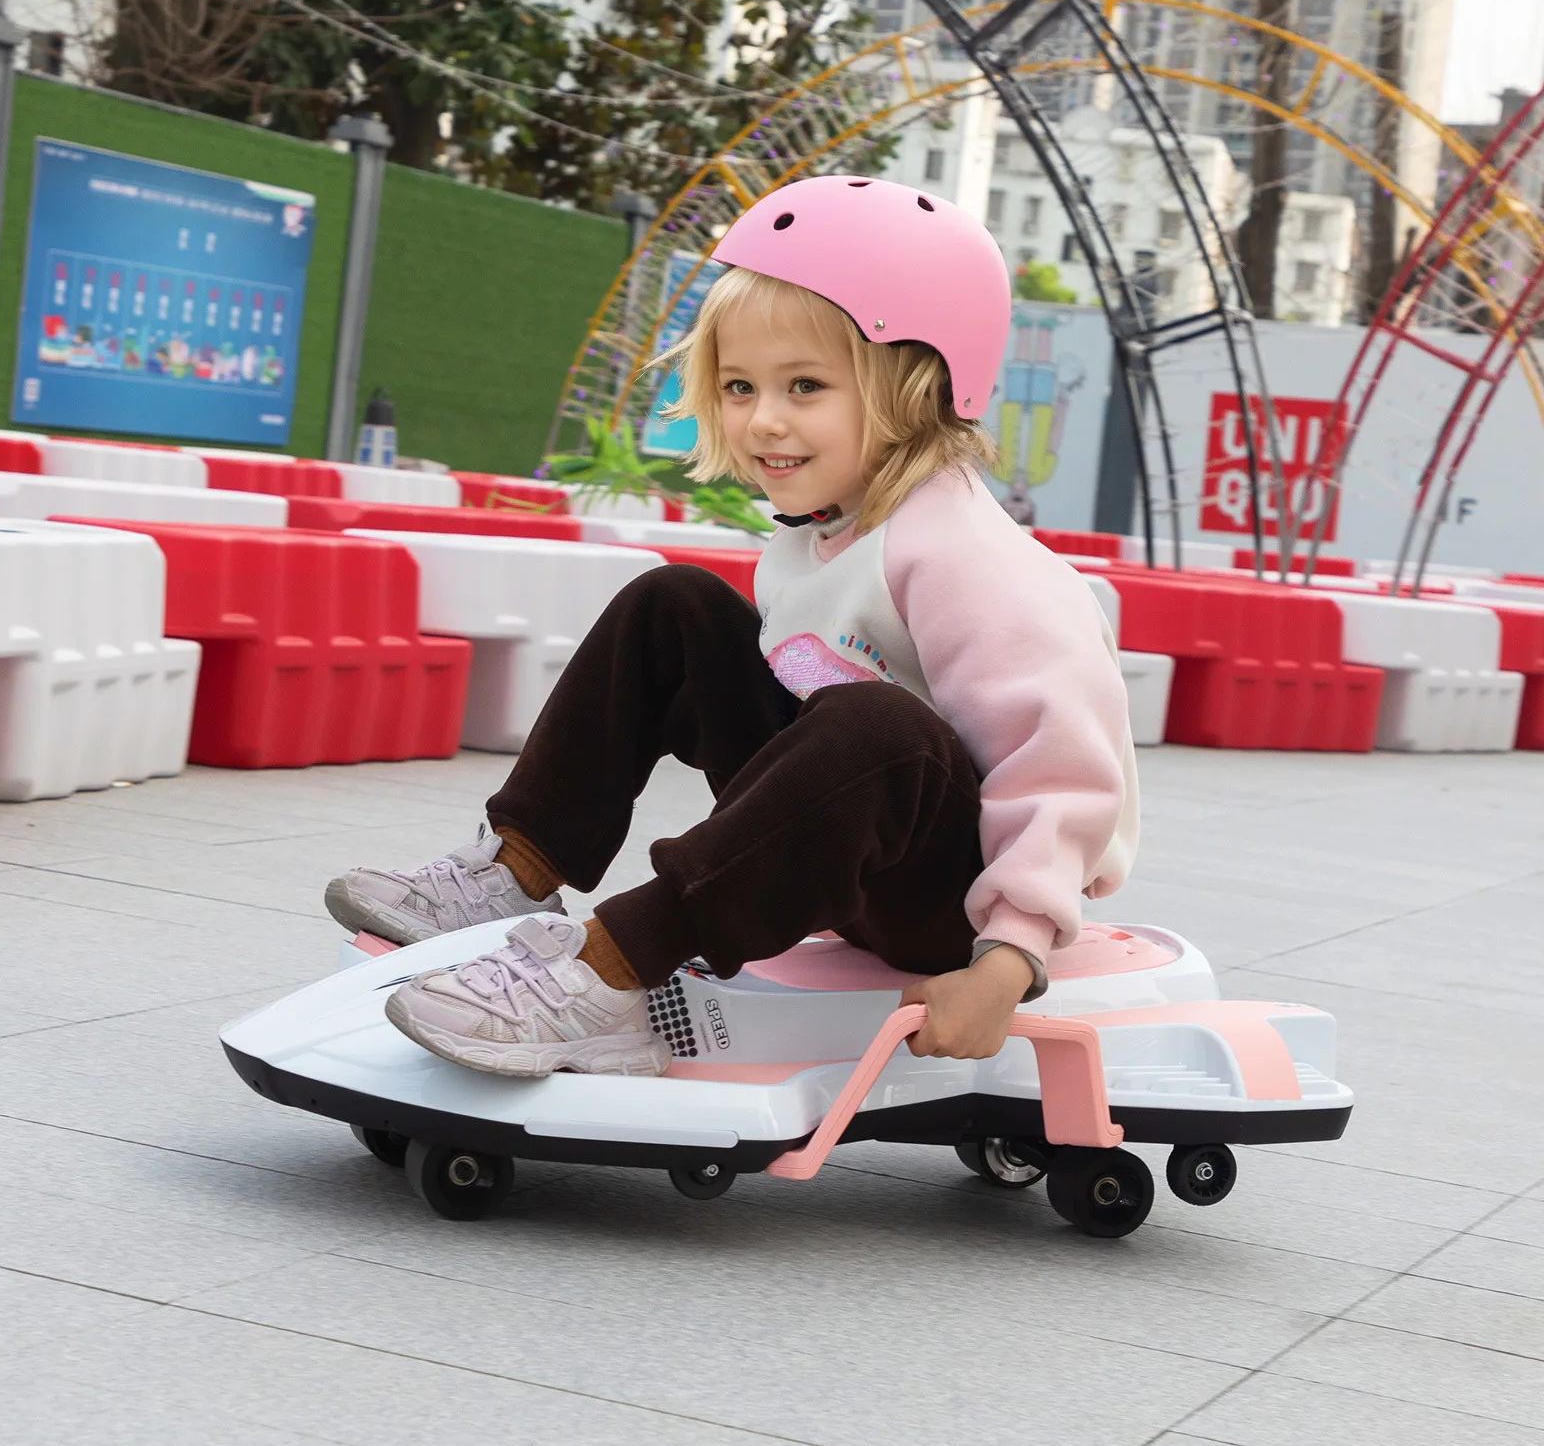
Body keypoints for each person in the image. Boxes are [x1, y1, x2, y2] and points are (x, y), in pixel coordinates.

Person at [324, 174, 1137, 1077]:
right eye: (741, 386)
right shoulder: (828, 529)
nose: (763, 420)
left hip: (952, 903)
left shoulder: (971, 559)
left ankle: (609, 976)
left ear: (920, 385)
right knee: (673, 606)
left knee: (882, 728)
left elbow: (1065, 775)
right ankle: (515, 869)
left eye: (806, 386)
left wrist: (1008, 959)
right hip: (850, 835)